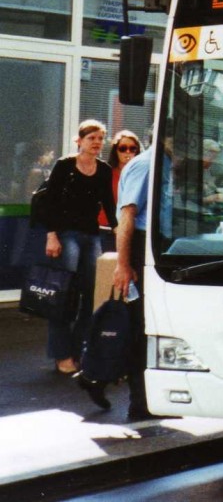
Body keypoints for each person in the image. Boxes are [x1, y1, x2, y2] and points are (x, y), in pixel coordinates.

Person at [42, 119, 117, 375]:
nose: (96, 143)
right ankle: (61, 354)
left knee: (90, 296)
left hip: (91, 236)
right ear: (80, 141)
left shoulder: (104, 170)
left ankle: (77, 352)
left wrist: (119, 229)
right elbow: (49, 201)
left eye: (100, 139)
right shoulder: (65, 165)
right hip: (66, 235)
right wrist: (52, 235)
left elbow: (108, 203)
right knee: (64, 295)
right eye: (91, 138)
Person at [92, 141, 158, 421]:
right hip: (140, 248)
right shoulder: (145, 166)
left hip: (150, 247)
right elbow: (127, 216)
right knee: (138, 327)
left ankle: (95, 378)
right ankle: (139, 403)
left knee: (139, 325)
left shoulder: (162, 164)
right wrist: (123, 264)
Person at [98, 130, 142, 251]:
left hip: (132, 229)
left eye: (132, 148)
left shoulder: (141, 173)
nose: (127, 152)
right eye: (123, 148)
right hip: (106, 229)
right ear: (115, 150)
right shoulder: (107, 172)